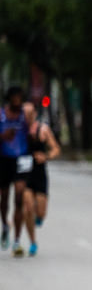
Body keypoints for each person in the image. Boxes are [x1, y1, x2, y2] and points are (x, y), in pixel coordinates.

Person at [21, 102, 58, 239]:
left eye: (29, 113)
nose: (26, 116)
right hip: (24, 174)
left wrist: (46, 156)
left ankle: (39, 218)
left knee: (40, 212)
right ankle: (32, 240)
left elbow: (55, 149)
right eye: (24, 114)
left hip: (39, 173)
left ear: (35, 114)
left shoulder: (43, 130)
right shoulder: (18, 130)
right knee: (28, 208)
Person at [1, 88, 30, 255]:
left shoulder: (25, 115)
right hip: (4, 159)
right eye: (14, 97)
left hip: (22, 159)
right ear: (9, 98)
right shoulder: (2, 115)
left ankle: (17, 240)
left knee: (19, 197)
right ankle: (5, 224)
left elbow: (33, 128)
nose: (17, 100)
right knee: (4, 198)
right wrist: (4, 136)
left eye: (20, 97)